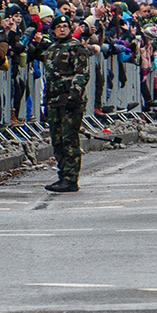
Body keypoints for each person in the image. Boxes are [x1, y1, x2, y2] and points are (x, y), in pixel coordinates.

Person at [39, 13, 91, 193]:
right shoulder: (52, 49)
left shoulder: (75, 48)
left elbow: (82, 72)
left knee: (69, 139)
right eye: (58, 27)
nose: (62, 29)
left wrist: (75, 94)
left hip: (70, 100)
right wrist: (45, 101)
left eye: (65, 27)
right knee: (57, 139)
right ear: (53, 30)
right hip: (54, 100)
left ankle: (71, 177)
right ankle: (63, 175)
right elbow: (49, 77)